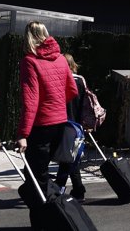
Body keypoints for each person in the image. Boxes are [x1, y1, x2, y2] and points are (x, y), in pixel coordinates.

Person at [15, 21, 78, 226]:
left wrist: (23, 133)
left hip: (40, 125)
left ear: (29, 37)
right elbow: (72, 90)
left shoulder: (29, 61)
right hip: (59, 122)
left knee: (35, 178)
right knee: (40, 174)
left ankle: (42, 222)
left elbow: (30, 100)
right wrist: (57, 103)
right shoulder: (60, 59)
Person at [55, 53, 86, 202]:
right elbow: (85, 103)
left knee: (67, 158)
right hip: (77, 125)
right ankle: (77, 190)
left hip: (63, 123)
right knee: (71, 158)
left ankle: (60, 187)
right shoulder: (80, 81)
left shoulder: (60, 79)